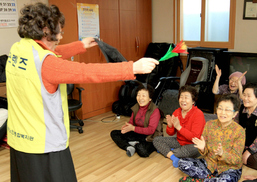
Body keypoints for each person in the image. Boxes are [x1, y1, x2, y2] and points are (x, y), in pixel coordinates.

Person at [6, 3, 158, 182]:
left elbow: (52, 53)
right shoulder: (48, 64)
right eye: (60, 32)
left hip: (19, 140)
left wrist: (80, 45)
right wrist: (132, 67)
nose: (61, 36)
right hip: (44, 145)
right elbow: (87, 72)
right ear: (46, 30)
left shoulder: (19, 49)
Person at [178, 94, 245, 182]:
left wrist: (222, 154)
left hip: (228, 168)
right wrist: (202, 148)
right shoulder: (209, 125)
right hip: (209, 164)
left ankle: (202, 180)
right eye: (220, 108)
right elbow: (205, 152)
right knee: (182, 163)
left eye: (227, 110)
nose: (223, 112)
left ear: (235, 114)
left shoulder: (239, 131)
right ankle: (211, 179)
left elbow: (237, 160)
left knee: (225, 180)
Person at [153, 85, 206, 168]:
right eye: (181, 97)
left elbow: (195, 137)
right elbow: (170, 133)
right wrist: (170, 126)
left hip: (193, 145)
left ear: (193, 101)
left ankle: (168, 152)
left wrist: (179, 127)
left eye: (186, 97)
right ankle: (173, 156)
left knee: (195, 150)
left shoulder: (198, 114)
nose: (183, 100)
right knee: (156, 140)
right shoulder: (176, 112)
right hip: (179, 142)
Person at [110, 84, 162, 157]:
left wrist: (133, 128)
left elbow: (151, 130)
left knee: (142, 150)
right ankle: (129, 147)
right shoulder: (136, 106)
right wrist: (127, 127)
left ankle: (135, 144)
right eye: (138, 95)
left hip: (150, 137)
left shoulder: (155, 110)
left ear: (150, 98)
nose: (140, 98)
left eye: (143, 96)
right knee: (114, 133)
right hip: (138, 133)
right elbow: (131, 122)